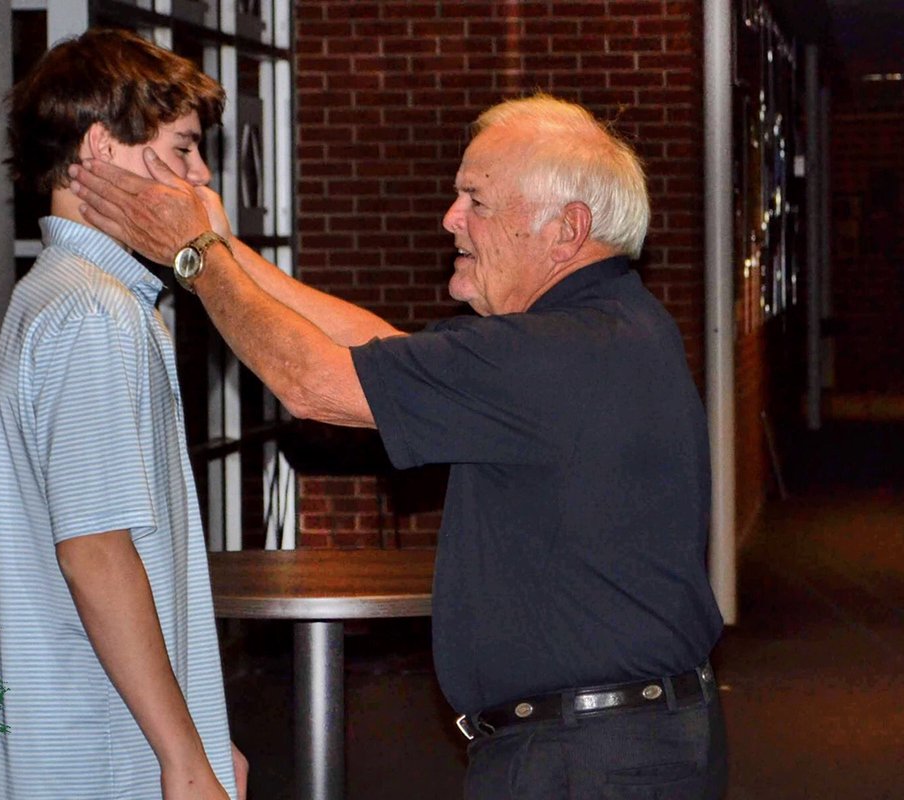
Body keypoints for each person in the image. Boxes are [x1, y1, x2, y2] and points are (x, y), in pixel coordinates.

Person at [69, 93, 727, 799]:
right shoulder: (601, 327)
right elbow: (377, 351)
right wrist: (230, 256)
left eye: (474, 199)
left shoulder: (552, 353)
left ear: (566, 229)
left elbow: (313, 382)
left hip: (587, 760)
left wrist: (196, 258)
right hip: (618, 742)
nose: (451, 219)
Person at [0, 29, 245, 800]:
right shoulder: (92, 310)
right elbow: (95, 554)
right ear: (102, 147)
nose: (202, 175)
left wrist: (205, 735)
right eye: (184, 149)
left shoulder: (65, 294)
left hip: (97, 736)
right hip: (100, 751)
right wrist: (185, 758)